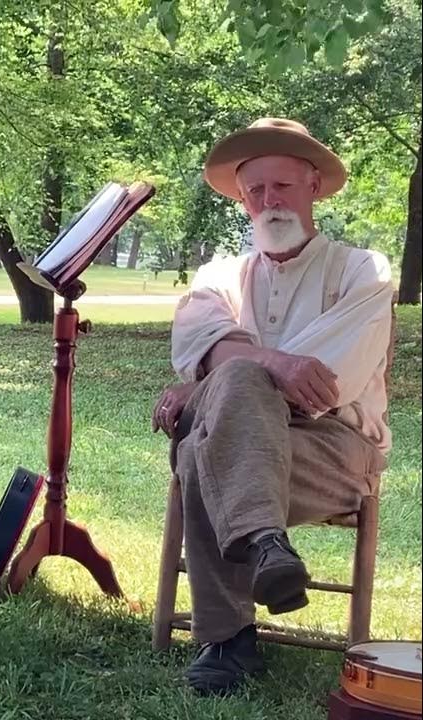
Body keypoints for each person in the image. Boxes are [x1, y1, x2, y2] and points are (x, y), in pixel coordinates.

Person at [152, 118, 394, 695]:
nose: (269, 200)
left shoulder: (362, 270)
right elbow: (195, 338)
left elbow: (324, 386)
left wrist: (220, 375)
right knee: (216, 430)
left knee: (208, 437)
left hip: (335, 450)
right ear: (242, 199)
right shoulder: (219, 275)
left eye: (282, 186)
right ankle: (266, 544)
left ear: (314, 187)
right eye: (255, 190)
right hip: (251, 454)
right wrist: (272, 365)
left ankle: (227, 641)